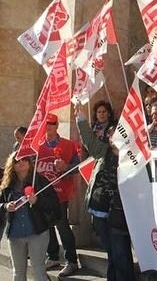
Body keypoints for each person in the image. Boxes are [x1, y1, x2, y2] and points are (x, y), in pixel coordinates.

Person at [75, 105, 136, 281]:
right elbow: (89, 140)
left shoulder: (131, 156)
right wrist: (81, 119)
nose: (112, 136)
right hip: (99, 210)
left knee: (121, 252)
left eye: (116, 133)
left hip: (119, 212)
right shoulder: (103, 151)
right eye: (110, 134)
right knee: (111, 252)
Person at [1, 153, 60, 281]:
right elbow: (1, 203)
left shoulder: (40, 180)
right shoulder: (7, 185)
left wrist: (37, 201)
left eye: (24, 159)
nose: (21, 162)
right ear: (12, 165)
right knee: (18, 273)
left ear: (29, 163)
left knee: (38, 270)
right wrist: (6, 206)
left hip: (37, 232)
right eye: (17, 161)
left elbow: (54, 203)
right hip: (15, 234)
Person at [37, 113, 80, 277]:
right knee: (47, 226)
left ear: (57, 125)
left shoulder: (68, 145)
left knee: (62, 226)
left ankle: (72, 261)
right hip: (43, 194)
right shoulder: (38, 146)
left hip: (60, 194)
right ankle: (53, 256)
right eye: (46, 123)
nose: (49, 126)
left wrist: (66, 166)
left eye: (52, 123)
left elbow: (78, 167)